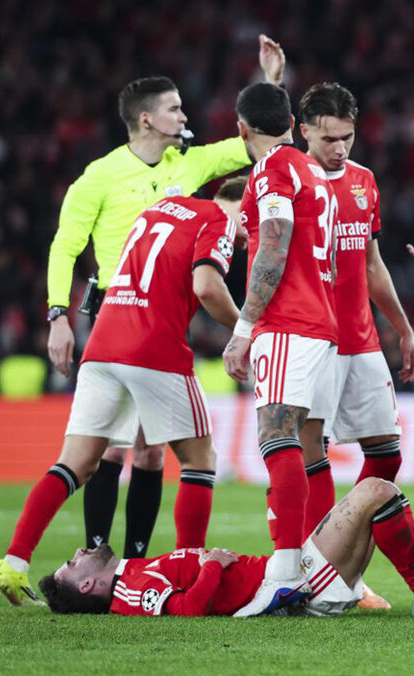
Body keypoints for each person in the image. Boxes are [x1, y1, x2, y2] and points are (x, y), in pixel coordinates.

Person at [44, 36, 284, 561]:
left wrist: (270, 84)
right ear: (147, 119)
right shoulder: (100, 176)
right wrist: (57, 314)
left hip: (168, 313)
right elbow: (65, 246)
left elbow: (253, 143)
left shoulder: (189, 163)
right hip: (115, 308)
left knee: (151, 454)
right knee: (111, 448)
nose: (185, 115)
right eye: (175, 108)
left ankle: (132, 562)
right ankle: (96, 555)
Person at [0, 179, 246, 605]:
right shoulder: (218, 218)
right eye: (249, 227)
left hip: (103, 344)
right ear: (240, 204)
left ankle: (14, 563)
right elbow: (206, 286)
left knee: (74, 464)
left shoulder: (159, 208)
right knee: (199, 460)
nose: (246, 239)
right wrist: (245, 328)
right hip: (154, 346)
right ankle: (187, 572)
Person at [296, 82, 414, 613]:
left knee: (387, 453)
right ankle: (318, 578)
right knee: (312, 455)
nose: (339, 149)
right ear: (303, 131)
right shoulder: (290, 184)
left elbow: (371, 263)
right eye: (328, 138)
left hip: (361, 339)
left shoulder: (363, 181)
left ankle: (339, 563)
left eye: (347, 138)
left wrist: (402, 328)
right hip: (310, 340)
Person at [221, 82, 340, 617]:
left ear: (241, 130)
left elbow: (273, 243)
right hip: (321, 322)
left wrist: (244, 326)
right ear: (293, 123)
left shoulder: (272, 168)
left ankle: (287, 572)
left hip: (289, 321)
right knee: (309, 447)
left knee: (276, 434)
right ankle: (321, 573)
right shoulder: (311, 168)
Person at [35, 477, 414, 617]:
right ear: (86, 586)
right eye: (71, 564)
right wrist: (212, 563)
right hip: (300, 583)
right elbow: (188, 609)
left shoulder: (131, 573)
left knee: (378, 498)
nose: (79, 553)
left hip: (294, 576)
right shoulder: (130, 591)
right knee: (376, 491)